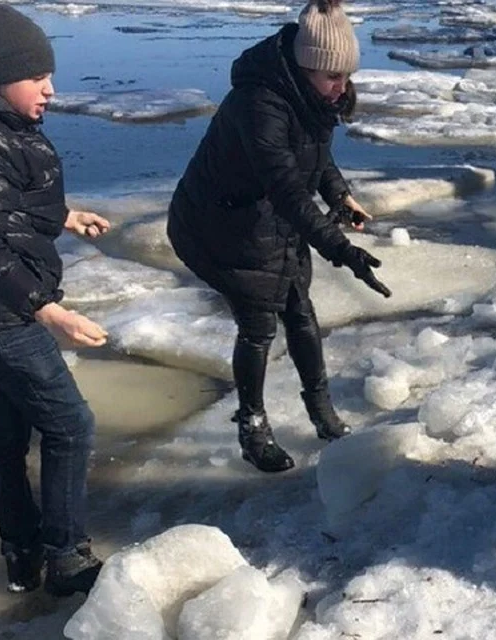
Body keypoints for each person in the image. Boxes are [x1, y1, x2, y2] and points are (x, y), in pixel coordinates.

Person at [168, 0, 390, 473]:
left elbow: (313, 156)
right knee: (258, 325)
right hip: (219, 225)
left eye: (347, 76)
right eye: (333, 76)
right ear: (305, 66)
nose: (342, 87)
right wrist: (341, 249)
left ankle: (322, 411)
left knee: (300, 312)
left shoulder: (310, 96)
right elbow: (287, 186)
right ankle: (252, 426)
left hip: (267, 218)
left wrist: (340, 194)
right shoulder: (259, 104)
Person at [0, 4, 111, 596]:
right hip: (2, 313)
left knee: (3, 432)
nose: (50, 89)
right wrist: (46, 308)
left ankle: (21, 554)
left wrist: (64, 216)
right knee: (70, 425)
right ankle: (66, 555)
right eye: (37, 77)